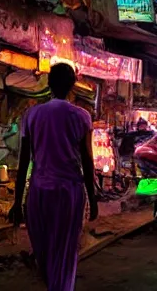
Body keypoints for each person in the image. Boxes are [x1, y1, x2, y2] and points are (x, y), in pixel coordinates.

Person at [9, 64, 97, 291]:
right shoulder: (81, 116)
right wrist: (93, 198)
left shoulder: (32, 115)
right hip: (69, 193)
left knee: (44, 252)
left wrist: (17, 202)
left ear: (48, 85)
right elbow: (87, 161)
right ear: (72, 86)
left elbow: (24, 162)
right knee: (65, 251)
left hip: (38, 193)